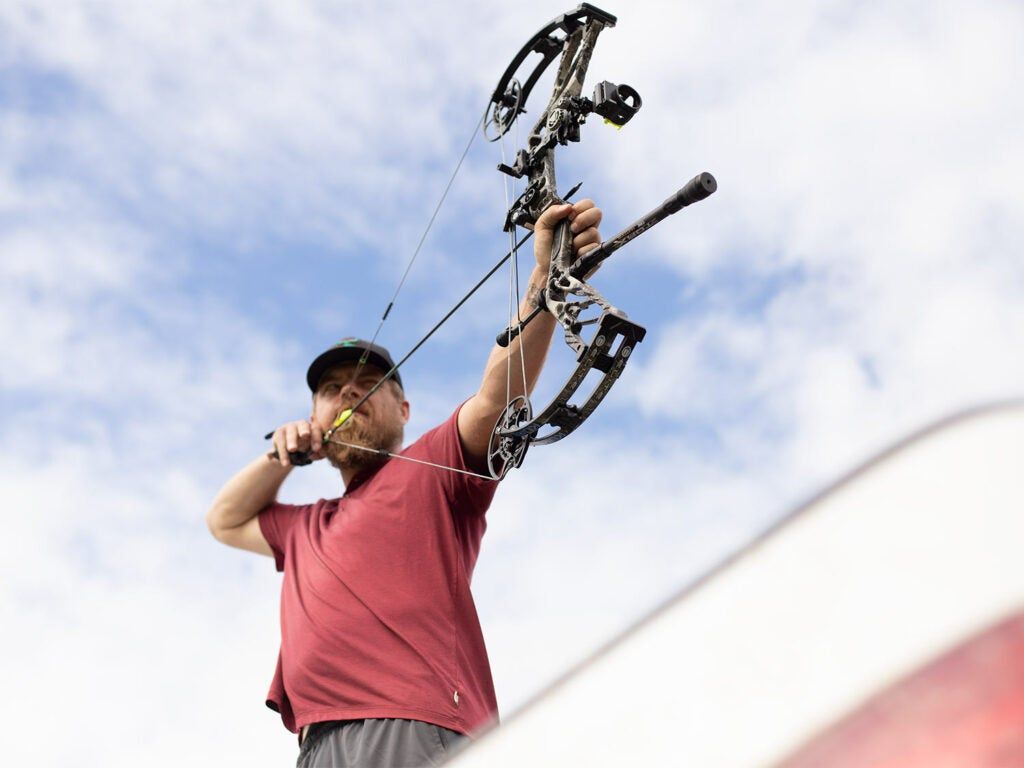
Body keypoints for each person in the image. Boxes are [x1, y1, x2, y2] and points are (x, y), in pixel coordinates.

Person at [206, 199, 603, 767]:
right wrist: (281, 456)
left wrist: (544, 277)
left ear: (404, 410)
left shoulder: (432, 465)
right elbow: (223, 520)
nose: (348, 393)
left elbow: (497, 398)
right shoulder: (304, 527)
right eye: (331, 390)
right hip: (316, 748)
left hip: (410, 724)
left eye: (368, 384)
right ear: (314, 416)